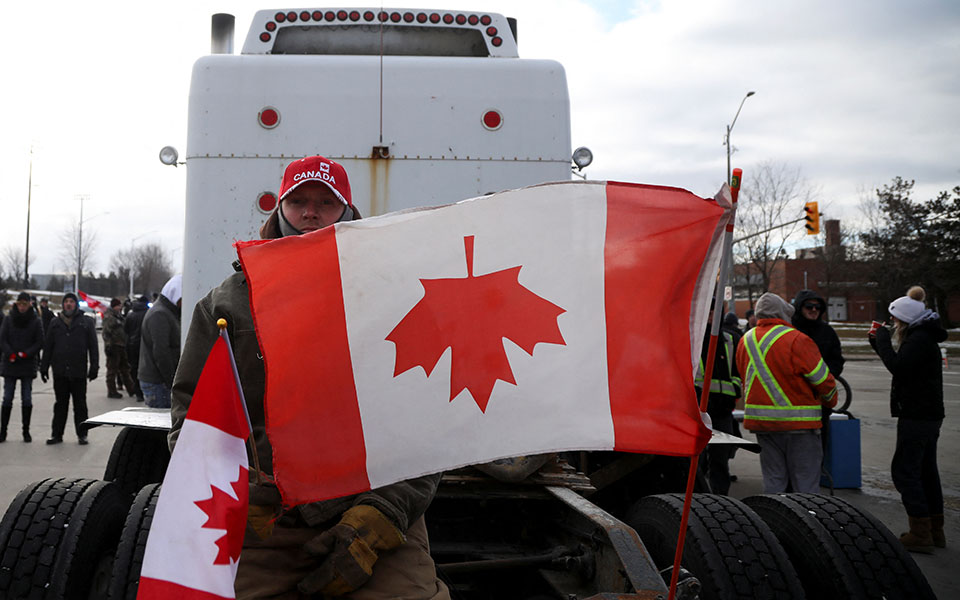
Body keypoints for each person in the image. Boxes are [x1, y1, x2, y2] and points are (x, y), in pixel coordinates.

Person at [171, 156, 450, 600]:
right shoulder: (226, 306)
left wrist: (384, 513)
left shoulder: (395, 296)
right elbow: (193, 417)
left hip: (372, 506)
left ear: (348, 212)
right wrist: (233, 500)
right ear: (279, 210)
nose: (310, 213)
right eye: (298, 201)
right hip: (268, 519)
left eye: (326, 201)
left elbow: (429, 415)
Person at [869, 286, 946, 553]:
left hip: (917, 414)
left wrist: (881, 340)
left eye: (894, 319)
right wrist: (879, 345)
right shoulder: (923, 337)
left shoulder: (918, 339)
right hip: (928, 414)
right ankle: (935, 530)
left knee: (904, 472)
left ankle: (920, 532)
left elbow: (899, 368)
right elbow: (903, 365)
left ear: (904, 319)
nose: (891, 323)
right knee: (925, 471)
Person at [736, 292, 837, 493]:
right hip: (800, 425)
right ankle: (806, 522)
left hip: (762, 424)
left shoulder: (745, 340)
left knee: (774, 481)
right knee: (806, 485)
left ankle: (775, 521)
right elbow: (823, 380)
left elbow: (743, 375)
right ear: (784, 313)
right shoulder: (797, 339)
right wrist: (830, 401)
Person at [791, 289, 845, 461]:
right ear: (799, 307)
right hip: (792, 403)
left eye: (818, 307)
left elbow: (837, 360)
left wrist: (826, 377)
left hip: (820, 403)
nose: (814, 310)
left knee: (816, 453)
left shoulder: (827, 332)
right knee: (793, 455)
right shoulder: (789, 330)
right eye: (809, 306)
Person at [40, 292, 99, 445]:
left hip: (78, 371)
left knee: (80, 404)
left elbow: (93, 347)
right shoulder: (55, 322)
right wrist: (44, 367)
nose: (68, 304)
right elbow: (48, 347)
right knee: (60, 404)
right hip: (60, 371)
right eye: (66, 301)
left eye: (71, 301)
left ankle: (82, 434)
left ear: (76, 304)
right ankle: (57, 434)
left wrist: (94, 366)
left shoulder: (86, 322)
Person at [696, 303, 742, 495]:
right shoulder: (694, 338)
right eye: (709, 311)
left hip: (723, 410)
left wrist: (734, 394)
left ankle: (721, 499)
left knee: (720, 460)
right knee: (696, 461)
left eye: (715, 312)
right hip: (699, 410)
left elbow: (738, 371)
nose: (711, 315)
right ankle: (699, 499)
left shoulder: (730, 339)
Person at [0, 292, 43, 442]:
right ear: (16, 304)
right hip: (10, 364)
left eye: (25, 304)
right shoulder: (8, 319)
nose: (22, 307)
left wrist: (26, 354)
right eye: (20, 304)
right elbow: (2, 339)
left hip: (27, 364)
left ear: (29, 304)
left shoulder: (35, 321)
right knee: (7, 398)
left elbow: (39, 341)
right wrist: (10, 353)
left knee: (26, 399)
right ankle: (3, 430)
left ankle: (26, 430)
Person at [139, 275, 182, 409]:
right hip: (158, 382)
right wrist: (173, 382)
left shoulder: (167, 311)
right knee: (161, 426)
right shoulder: (160, 314)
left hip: (160, 381)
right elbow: (161, 353)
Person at [102, 297, 137, 399]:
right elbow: (106, 333)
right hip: (114, 346)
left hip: (121, 346)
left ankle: (131, 389)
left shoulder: (118, 316)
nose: (120, 307)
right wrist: (108, 345)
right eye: (118, 306)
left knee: (125, 369)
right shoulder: (110, 317)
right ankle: (112, 391)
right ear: (114, 306)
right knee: (112, 370)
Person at [124, 295, 150, 401]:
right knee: (145, 368)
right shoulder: (148, 314)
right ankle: (145, 391)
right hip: (144, 345)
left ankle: (137, 391)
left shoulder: (131, 314)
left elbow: (126, 330)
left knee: (134, 368)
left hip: (132, 345)